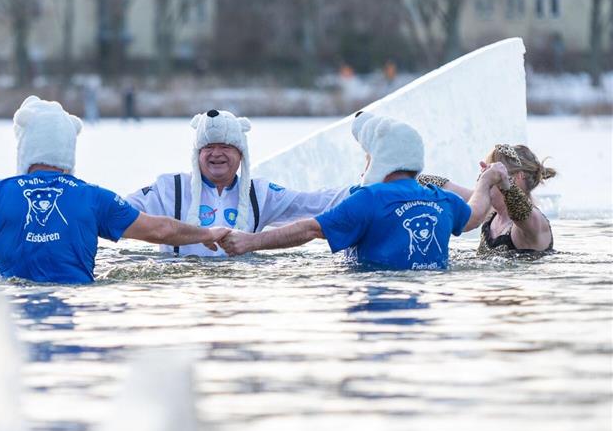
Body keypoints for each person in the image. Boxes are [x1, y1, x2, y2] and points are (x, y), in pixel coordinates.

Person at [0, 96, 228, 284]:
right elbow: (160, 229)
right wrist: (206, 232)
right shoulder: (92, 197)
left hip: (12, 298)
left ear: (25, 146)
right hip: (78, 298)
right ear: (69, 147)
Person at [218, 112, 509, 270]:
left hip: (378, 289)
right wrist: (486, 181)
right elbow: (474, 216)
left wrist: (251, 242)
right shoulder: (441, 199)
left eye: (367, 157)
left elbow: (309, 230)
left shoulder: (369, 199)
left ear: (380, 160)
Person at [125, 109, 350, 257]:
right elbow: (119, 212)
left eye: (225, 147)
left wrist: (365, 190)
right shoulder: (170, 188)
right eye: (208, 147)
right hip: (184, 289)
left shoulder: (259, 193)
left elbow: (313, 203)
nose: (216, 154)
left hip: (240, 287)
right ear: (197, 154)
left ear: (241, 154)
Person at [415, 144, 555, 254]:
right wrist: (406, 179)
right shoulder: (490, 209)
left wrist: (505, 183)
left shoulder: (535, 221)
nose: (484, 176)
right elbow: (446, 187)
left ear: (518, 177)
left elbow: (521, 213)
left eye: (491, 172)